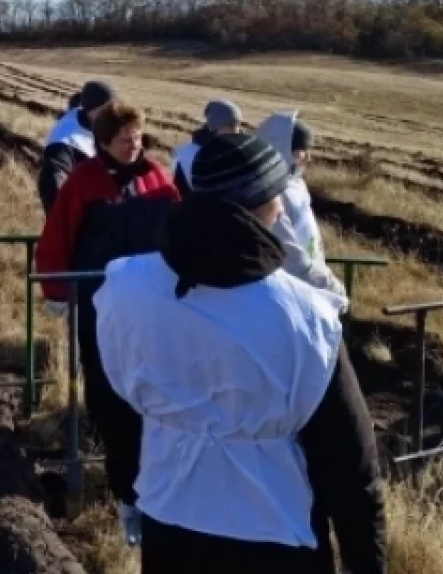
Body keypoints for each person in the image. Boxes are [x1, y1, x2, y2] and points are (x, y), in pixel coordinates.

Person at [96, 133, 385, 573]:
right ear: (254, 207)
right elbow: (350, 463)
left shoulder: (125, 287)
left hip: (168, 522)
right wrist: (366, 562)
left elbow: (114, 406)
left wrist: (128, 488)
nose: (283, 208)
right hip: (276, 536)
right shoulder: (305, 317)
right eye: (275, 196)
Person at [34, 100, 179, 547]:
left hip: (153, 309)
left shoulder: (157, 178)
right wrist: (57, 289)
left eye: (138, 138)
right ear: (102, 142)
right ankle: (126, 494)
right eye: (124, 140)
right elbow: (58, 232)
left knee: (154, 395)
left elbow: (178, 229)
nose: (134, 147)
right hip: (103, 307)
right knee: (110, 394)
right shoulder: (84, 182)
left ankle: (159, 488)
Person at [254, 111, 347, 299]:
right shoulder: (273, 194)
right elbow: (288, 255)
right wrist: (330, 287)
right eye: (303, 150)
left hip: (310, 284)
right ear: (284, 149)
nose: (309, 158)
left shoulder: (296, 183)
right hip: (293, 290)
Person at [37, 80, 116, 213]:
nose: (111, 113)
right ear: (92, 109)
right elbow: (52, 178)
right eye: (106, 109)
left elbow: (77, 100)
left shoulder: (88, 114)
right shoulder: (65, 142)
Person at [172, 99, 242, 194]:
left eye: (237, 124)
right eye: (231, 124)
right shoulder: (187, 154)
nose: (236, 130)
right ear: (215, 124)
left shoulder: (240, 151)